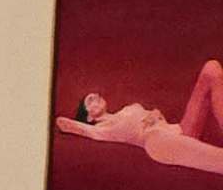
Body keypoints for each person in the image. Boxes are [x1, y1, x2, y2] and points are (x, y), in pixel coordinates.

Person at [58, 60, 223, 177]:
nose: (95, 96)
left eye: (95, 95)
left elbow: (158, 114)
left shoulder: (129, 108)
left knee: (211, 68)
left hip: (178, 129)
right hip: (159, 141)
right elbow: (65, 124)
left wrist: (154, 115)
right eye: (90, 100)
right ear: (88, 116)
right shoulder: (103, 129)